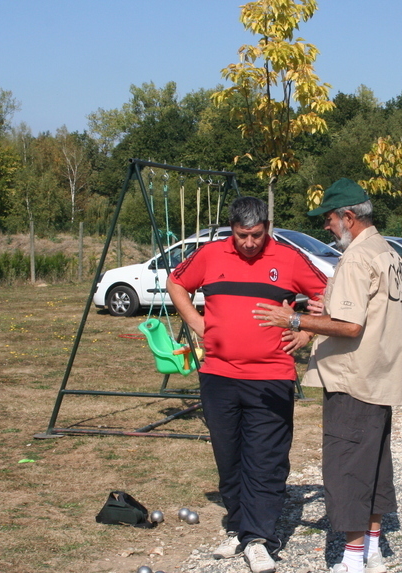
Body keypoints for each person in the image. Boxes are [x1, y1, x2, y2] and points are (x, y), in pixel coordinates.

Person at [252, 178, 402, 573]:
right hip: (380, 374)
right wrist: (314, 324)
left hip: (353, 380)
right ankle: (372, 549)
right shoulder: (386, 250)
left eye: (329, 218)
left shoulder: (357, 258)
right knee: (374, 463)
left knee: (347, 466)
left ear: (349, 216)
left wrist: (293, 318)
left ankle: (352, 559)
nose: (326, 226)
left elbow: (350, 325)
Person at [166, 196, 328, 573]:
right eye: (243, 236)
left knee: (266, 460)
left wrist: (303, 330)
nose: (250, 243)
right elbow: (176, 282)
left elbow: (327, 293)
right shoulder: (209, 254)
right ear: (232, 230)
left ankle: (259, 539)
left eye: (257, 235)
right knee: (230, 457)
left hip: (270, 379)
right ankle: (240, 527)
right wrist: (196, 321)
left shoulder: (288, 258)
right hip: (219, 377)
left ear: (267, 229)